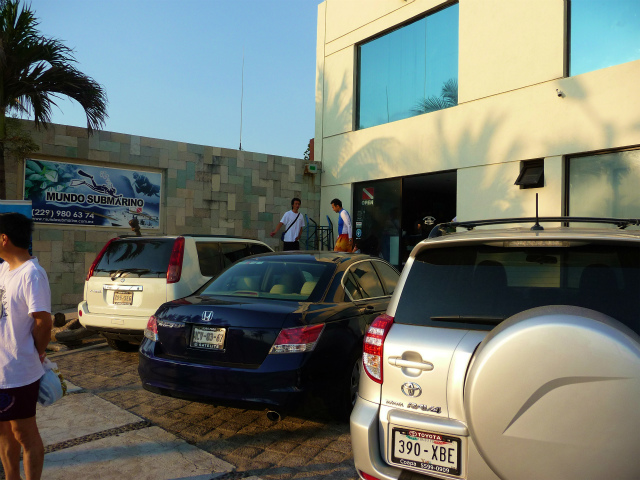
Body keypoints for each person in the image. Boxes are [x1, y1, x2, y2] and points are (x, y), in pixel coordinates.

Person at [0, 213, 52, 480]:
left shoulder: (32, 274)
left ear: (4, 238)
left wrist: (38, 351)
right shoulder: (3, 270)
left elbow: (43, 321)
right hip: (1, 370)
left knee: (24, 433)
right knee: (3, 433)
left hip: (18, 372)